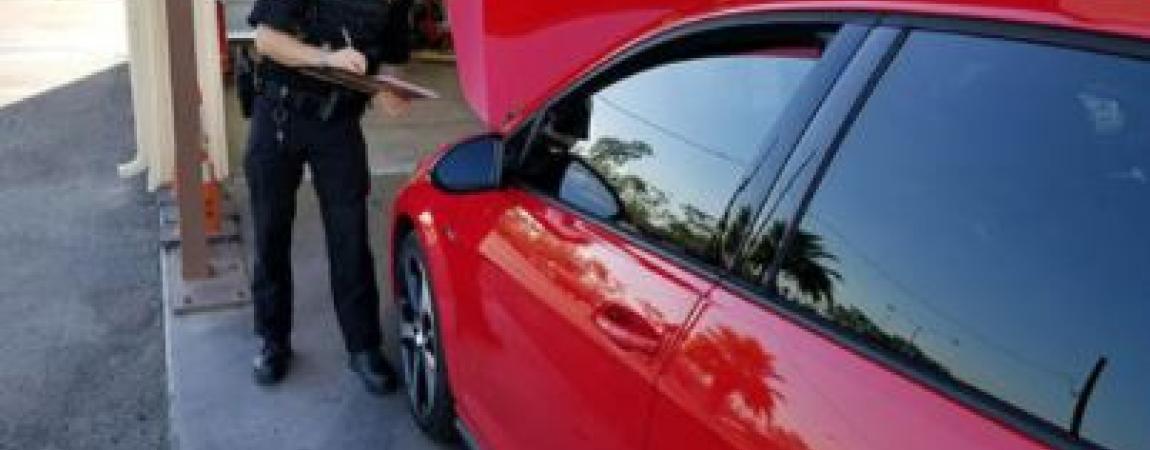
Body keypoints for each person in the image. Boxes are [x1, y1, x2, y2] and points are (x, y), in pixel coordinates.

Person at [244, 0, 412, 394]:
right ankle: (273, 340)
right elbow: (266, 40)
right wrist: (326, 59)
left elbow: (389, 61)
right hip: (279, 115)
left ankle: (363, 347)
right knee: (271, 231)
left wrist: (387, 90)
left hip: (338, 124)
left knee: (350, 238)